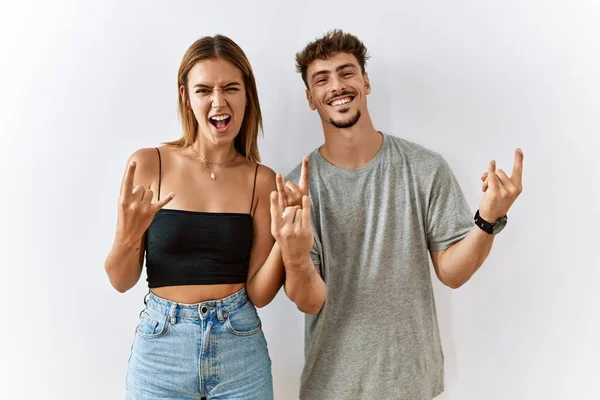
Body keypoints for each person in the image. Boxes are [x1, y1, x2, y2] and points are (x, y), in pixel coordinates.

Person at [279, 29, 524, 400]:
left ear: (366, 81)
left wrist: (488, 219)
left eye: (347, 73)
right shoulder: (298, 189)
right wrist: (295, 256)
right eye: (322, 79)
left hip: (410, 383)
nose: (337, 86)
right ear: (310, 98)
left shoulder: (425, 167)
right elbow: (309, 300)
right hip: (331, 387)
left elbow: (452, 273)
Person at [104, 34, 285, 400]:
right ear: (186, 97)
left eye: (231, 88)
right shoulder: (148, 164)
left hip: (240, 350)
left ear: (247, 95)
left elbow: (260, 294)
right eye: (204, 90)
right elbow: (121, 281)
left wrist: (287, 242)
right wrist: (127, 236)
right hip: (161, 352)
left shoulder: (261, 181)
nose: (219, 101)